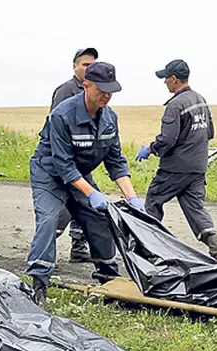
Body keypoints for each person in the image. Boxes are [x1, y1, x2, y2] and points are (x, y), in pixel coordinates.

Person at [26, 61, 144, 305]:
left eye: (111, 90)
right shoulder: (63, 115)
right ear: (86, 85)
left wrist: (132, 197)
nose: (107, 95)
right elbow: (63, 164)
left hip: (79, 174)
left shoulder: (110, 118)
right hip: (49, 174)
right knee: (48, 219)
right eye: (102, 89)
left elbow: (116, 162)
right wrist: (91, 193)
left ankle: (109, 281)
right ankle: (39, 283)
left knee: (100, 219)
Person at [136, 59, 217, 262]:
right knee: (194, 206)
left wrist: (150, 149)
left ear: (174, 79)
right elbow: (209, 132)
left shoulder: (175, 105)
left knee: (153, 201)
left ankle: (148, 249)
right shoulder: (200, 100)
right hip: (198, 166)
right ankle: (216, 249)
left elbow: (167, 139)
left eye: (166, 79)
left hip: (175, 168)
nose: (164, 83)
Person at [49, 47, 99, 263]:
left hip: (83, 162)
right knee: (68, 205)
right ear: (75, 67)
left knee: (86, 202)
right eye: (86, 64)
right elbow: (56, 127)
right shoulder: (66, 91)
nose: (89, 69)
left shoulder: (95, 90)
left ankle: (78, 246)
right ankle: (45, 246)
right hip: (66, 161)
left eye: (93, 65)